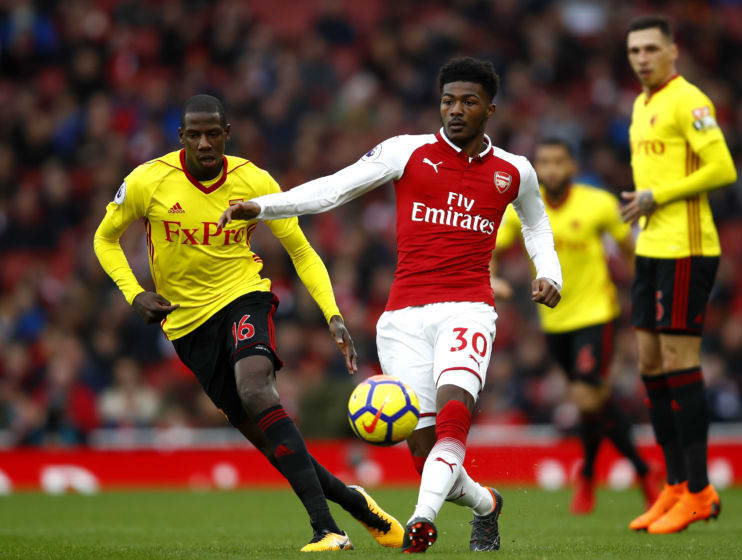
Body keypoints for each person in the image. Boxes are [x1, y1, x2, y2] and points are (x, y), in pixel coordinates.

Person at [220, 58, 562, 553]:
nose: (456, 110)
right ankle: (487, 505)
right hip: (402, 319)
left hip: (468, 308)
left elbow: (537, 226)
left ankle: (421, 520)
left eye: (468, 101)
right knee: (425, 457)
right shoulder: (407, 152)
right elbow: (335, 189)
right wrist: (265, 206)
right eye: (448, 101)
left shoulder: (515, 171)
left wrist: (548, 271)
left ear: (490, 107)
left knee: (453, 414)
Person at [93, 94, 404, 552]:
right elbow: (105, 239)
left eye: (212, 133)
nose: (204, 143)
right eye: (194, 134)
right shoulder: (148, 181)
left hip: (244, 296)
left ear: (227, 135)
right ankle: (355, 504)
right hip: (186, 327)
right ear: (180, 138)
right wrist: (134, 292)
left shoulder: (253, 180)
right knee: (268, 439)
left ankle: (327, 529)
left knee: (258, 389)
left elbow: (300, 249)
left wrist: (332, 313)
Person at [492, 138, 660, 514]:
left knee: (585, 398)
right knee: (594, 401)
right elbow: (491, 251)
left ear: (571, 167)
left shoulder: (597, 204)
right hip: (554, 321)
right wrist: (493, 279)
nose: (551, 169)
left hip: (597, 313)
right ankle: (643, 468)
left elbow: (630, 249)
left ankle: (586, 475)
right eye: (544, 162)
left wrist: (643, 294)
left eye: (558, 161)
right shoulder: (521, 208)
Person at [620, 16, 737, 534]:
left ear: (673, 52)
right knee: (648, 362)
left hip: (688, 249)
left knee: (678, 361)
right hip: (651, 248)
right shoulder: (641, 104)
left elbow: (723, 169)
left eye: (650, 49)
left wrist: (656, 198)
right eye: (634, 51)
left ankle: (699, 488)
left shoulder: (690, 101)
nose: (641, 58)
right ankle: (672, 485)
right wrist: (645, 212)